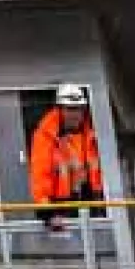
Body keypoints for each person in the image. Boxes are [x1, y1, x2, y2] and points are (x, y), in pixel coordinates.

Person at [27, 83, 104, 222]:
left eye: (79, 109)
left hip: (93, 206)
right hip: (60, 211)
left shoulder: (91, 134)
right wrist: (48, 214)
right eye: (70, 109)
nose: (75, 114)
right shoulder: (45, 136)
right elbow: (40, 176)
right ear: (59, 110)